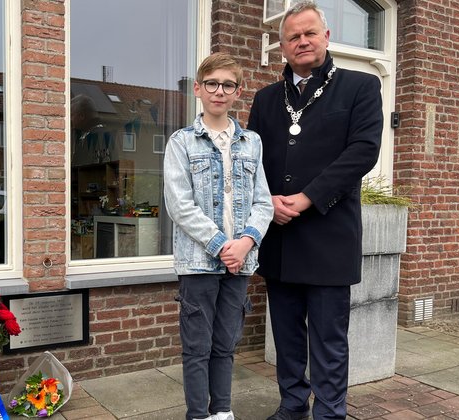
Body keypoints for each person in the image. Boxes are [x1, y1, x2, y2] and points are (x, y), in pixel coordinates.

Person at [246, 2, 383, 420]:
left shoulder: (360, 86)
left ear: (326, 36)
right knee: (286, 335)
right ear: (283, 48)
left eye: (309, 33)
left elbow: (363, 152)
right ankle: (292, 406)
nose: (302, 41)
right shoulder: (266, 98)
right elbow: (251, 158)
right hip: (280, 239)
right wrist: (265, 199)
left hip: (328, 236)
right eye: (293, 37)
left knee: (328, 338)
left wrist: (306, 198)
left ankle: (328, 412)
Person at [164, 52, 273, 420]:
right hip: (199, 262)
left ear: (238, 91)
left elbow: (263, 202)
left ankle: (222, 412)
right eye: (212, 84)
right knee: (197, 347)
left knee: (226, 344)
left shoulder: (252, 143)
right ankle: (198, 414)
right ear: (198, 89)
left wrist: (244, 243)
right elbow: (179, 205)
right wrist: (221, 245)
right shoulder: (181, 142)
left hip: (240, 262)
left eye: (228, 84)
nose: (219, 91)